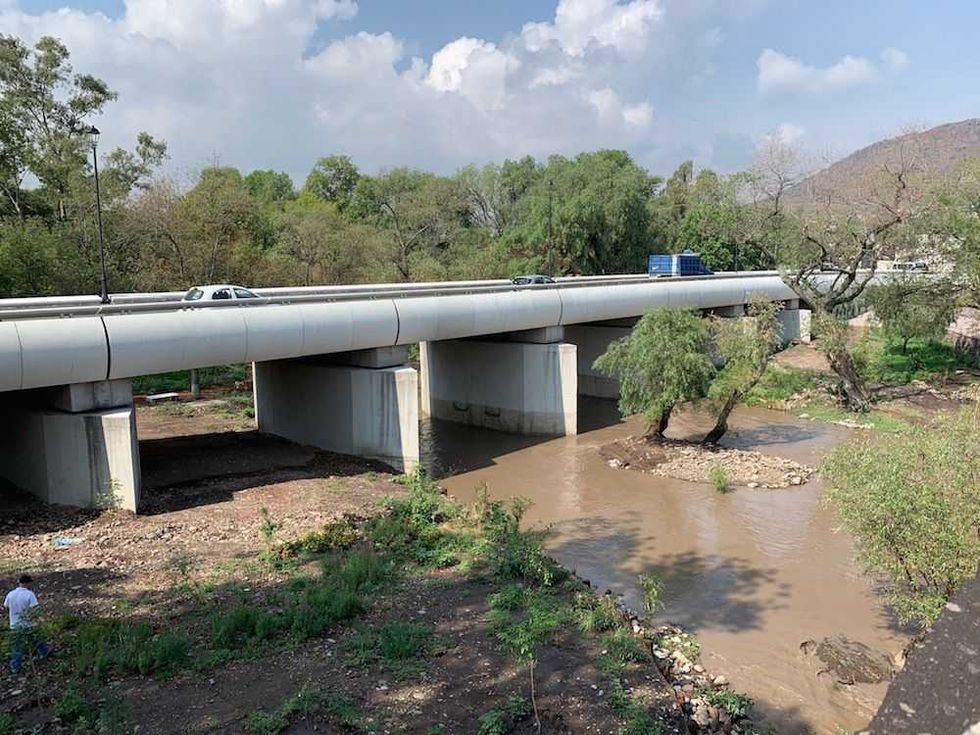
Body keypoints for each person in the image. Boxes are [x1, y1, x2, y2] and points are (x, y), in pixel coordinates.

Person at [4, 574, 50, 674]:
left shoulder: (10, 594)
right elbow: (35, 609)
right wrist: (40, 620)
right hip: (28, 624)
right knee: (37, 640)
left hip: (15, 625)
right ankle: (45, 654)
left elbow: (6, 606)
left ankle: (15, 667)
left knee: (16, 648)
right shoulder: (29, 594)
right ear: (28, 583)